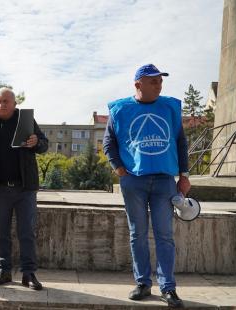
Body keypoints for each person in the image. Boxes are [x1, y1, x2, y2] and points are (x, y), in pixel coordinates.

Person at [103, 64, 191, 308]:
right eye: (153, 81)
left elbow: (181, 142)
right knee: (137, 234)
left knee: (165, 235)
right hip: (135, 181)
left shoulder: (170, 107)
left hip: (164, 180)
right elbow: (108, 144)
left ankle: (168, 288)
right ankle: (142, 283)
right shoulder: (121, 109)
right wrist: (120, 170)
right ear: (138, 84)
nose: (159, 85)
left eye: (160, 81)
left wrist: (184, 175)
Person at [0, 87, 48, 290]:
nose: (1, 105)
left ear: (14, 104)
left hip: (25, 188)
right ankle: (4, 271)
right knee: (1, 233)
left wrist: (36, 142)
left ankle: (29, 274)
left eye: (6, 101)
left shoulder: (25, 119)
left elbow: (44, 144)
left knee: (27, 232)